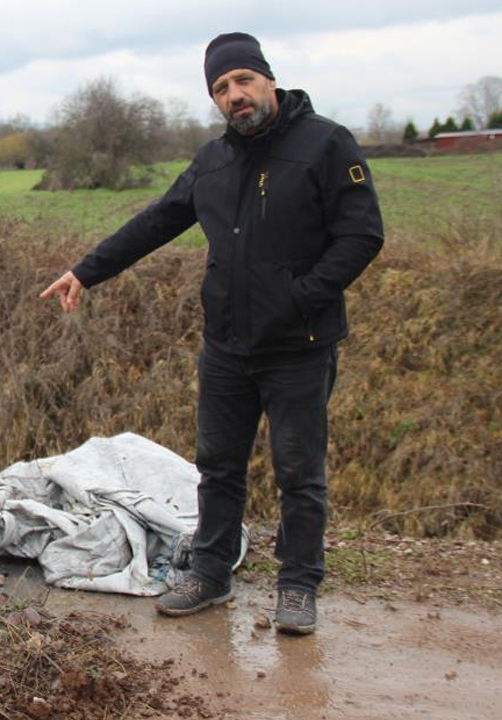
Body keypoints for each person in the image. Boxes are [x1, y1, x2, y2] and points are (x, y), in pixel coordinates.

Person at [39, 32, 383, 635]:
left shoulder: (326, 143)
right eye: (221, 88)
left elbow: (362, 235)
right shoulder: (213, 160)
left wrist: (301, 298)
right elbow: (156, 222)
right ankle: (211, 573)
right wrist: (84, 272)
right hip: (226, 346)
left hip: (299, 347)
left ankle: (299, 585)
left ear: (269, 80)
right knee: (217, 466)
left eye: (243, 81)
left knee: (299, 473)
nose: (234, 95)